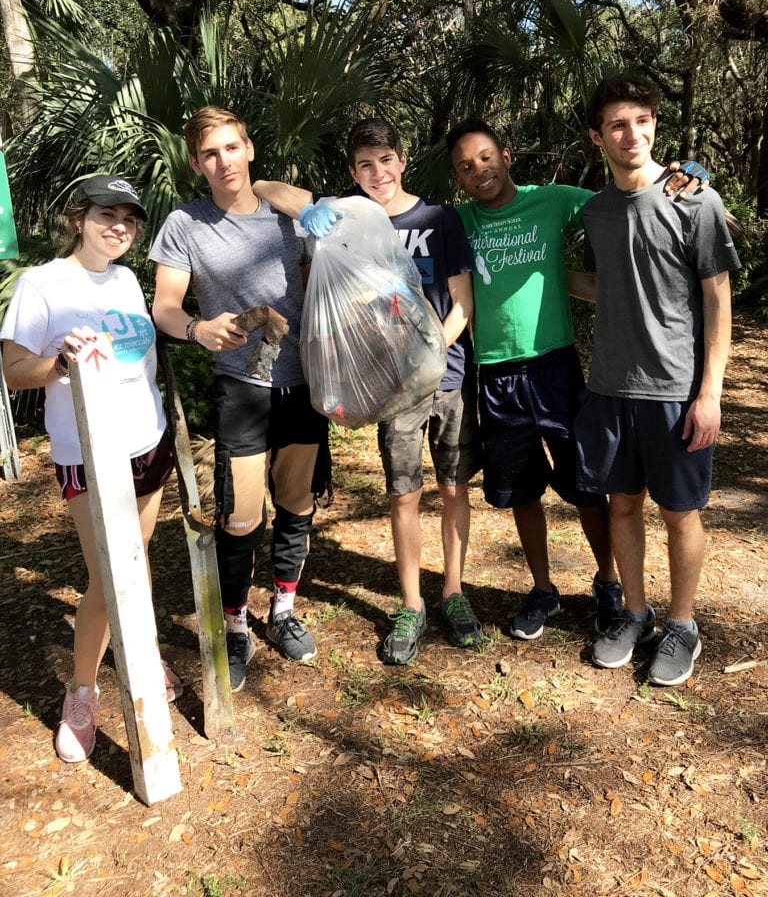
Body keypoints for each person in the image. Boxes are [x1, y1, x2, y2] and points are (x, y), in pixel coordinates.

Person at [446, 120, 706, 642]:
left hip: (556, 368)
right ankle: (543, 589)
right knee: (521, 491)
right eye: (466, 166)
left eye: (486, 157)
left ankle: (608, 582)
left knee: (588, 485)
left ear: (506, 155)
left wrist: (680, 177)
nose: (480, 171)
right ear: (458, 178)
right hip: (495, 373)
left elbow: (626, 201)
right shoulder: (460, 222)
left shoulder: (553, 200)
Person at [254, 116, 483, 665]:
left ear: (402, 160)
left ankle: (453, 592)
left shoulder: (438, 218)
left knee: (453, 488)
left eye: (385, 161)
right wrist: (311, 209)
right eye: (365, 165)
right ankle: (412, 604)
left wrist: (431, 355)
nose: (378, 173)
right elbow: (262, 186)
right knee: (403, 494)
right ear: (353, 172)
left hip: (446, 376)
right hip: (389, 389)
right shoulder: (345, 217)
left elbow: (462, 302)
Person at [0, 175, 179, 763]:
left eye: (129, 218)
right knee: (108, 574)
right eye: (106, 214)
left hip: (147, 441)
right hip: (87, 453)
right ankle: (82, 693)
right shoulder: (42, 284)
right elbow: (13, 371)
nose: (119, 227)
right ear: (78, 218)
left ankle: (141, 657)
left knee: (137, 559)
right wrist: (59, 363)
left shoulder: (126, 279)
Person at [150, 107, 329, 693]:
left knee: (297, 504)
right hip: (241, 387)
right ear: (196, 163)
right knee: (241, 516)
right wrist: (197, 328)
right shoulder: (185, 223)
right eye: (210, 153)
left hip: (303, 383)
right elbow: (165, 306)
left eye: (232, 147)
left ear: (249, 149)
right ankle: (235, 624)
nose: (223, 161)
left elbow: (325, 279)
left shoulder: (289, 217)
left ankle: (283, 609)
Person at [573, 72, 740, 685]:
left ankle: (682, 625)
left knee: (679, 513)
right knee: (621, 506)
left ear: (654, 125)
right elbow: (606, 285)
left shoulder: (695, 201)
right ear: (598, 137)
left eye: (642, 121)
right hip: (611, 387)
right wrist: (534, 276)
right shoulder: (595, 211)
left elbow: (718, 300)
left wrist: (710, 393)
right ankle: (635, 614)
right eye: (618, 124)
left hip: (675, 390)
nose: (632, 134)